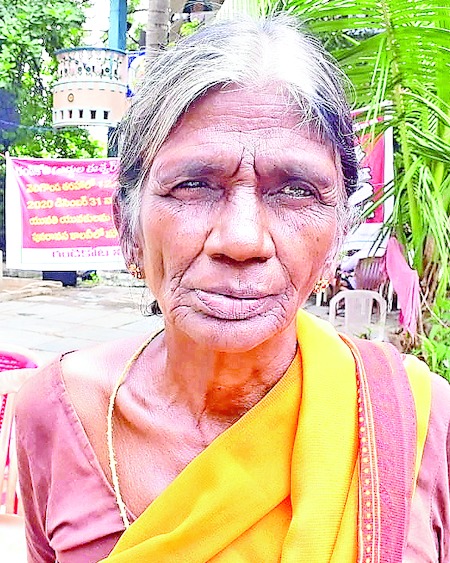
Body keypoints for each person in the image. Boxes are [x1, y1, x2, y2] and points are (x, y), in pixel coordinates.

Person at [15, 15, 449, 563]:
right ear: (127, 224)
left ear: (339, 232)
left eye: (295, 191)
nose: (241, 240)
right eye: (194, 185)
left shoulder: (417, 418)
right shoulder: (57, 412)